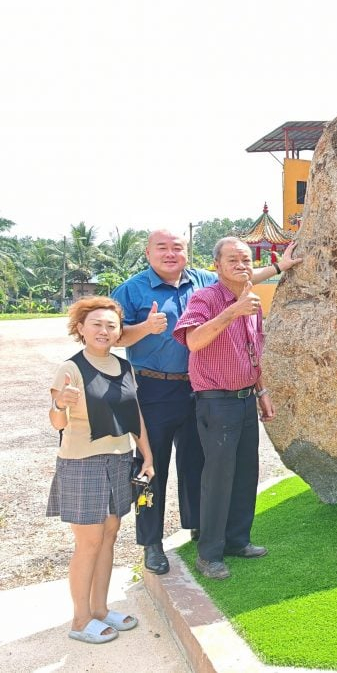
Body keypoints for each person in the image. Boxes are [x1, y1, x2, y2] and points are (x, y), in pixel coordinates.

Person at [112, 229, 299, 575]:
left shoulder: (201, 278)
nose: (170, 254)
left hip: (199, 389)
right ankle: (151, 542)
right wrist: (145, 328)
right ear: (147, 252)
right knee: (150, 468)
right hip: (156, 390)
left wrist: (279, 266)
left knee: (203, 466)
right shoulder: (133, 289)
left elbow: (241, 274)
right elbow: (109, 333)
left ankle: (204, 532)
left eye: (177, 248)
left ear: (188, 252)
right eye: (162, 248)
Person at [47, 297, 156, 644]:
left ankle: (99, 608)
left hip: (119, 459)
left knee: (110, 534)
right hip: (82, 463)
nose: (104, 330)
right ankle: (80, 620)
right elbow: (57, 422)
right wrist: (60, 404)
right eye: (96, 324)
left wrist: (147, 457)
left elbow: (134, 415)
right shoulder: (71, 368)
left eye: (111, 325)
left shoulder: (124, 367)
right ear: (80, 328)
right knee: (89, 543)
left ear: (118, 331)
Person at [173, 237, 275, 579]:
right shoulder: (205, 298)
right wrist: (232, 311)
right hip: (216, 402)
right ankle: (209, 554)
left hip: (246, 399)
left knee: (246, 472)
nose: (242, 265)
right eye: (233, 260)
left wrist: (262, 392)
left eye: (246, 260)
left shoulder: (253, 303)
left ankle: (237, 540)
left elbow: (253, 351)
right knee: (218, 477)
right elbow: (193, 341)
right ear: (216, 265)